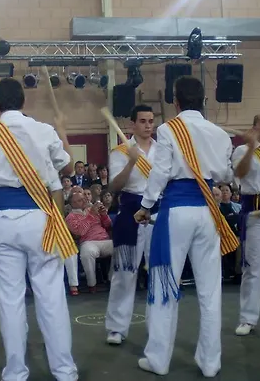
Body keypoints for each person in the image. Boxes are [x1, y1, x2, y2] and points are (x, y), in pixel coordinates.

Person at [0, 77, 78, 381]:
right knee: (52, 298)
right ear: (23, 102)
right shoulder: (44, 130)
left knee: (10, 302)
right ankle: (65, 371)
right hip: (41, 220)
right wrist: (62, 130)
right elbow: (69, 169)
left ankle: (15, 373)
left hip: (2, 222)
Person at [134, 76, 239, 377]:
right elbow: (224, 174)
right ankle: (210, 362)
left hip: (177, 211)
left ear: (175, 102)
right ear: (204, 101)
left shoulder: (169, 129)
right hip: (208, 211)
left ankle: (158, 359)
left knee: (165, 284)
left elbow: (160, 173)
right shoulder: (220, 133)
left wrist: (145, 206)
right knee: (210, 290)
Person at [105, 104, 158, 345]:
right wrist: (131, 163)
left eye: (151, 121)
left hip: (157, 211)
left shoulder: (163, 150)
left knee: (159, 271)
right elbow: (114, 187)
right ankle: (117, 328)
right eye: (143, 121)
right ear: (132, 124)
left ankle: (158, 326)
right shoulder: (121, 152)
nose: (148, 125)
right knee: (125, 273)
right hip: (130, 212)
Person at [232, 113, 260, 336]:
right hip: (256, 212)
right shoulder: (242, 150)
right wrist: (251, 148)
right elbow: (240, 174)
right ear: (254, 127)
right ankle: (248, 318)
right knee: (254, 267)